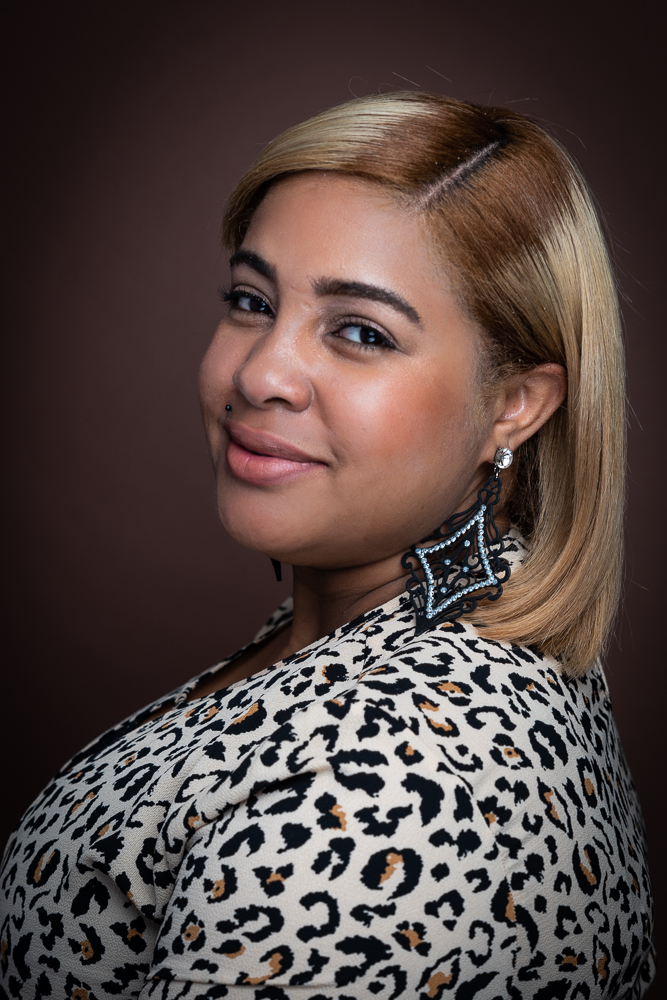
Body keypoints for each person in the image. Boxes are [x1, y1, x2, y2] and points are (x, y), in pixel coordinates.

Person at [0, 91, 655, 1000]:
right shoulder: (419, 619)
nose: (260, 372)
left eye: (359, 332)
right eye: (250, 301)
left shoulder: (396, 787)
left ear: (514, 405)